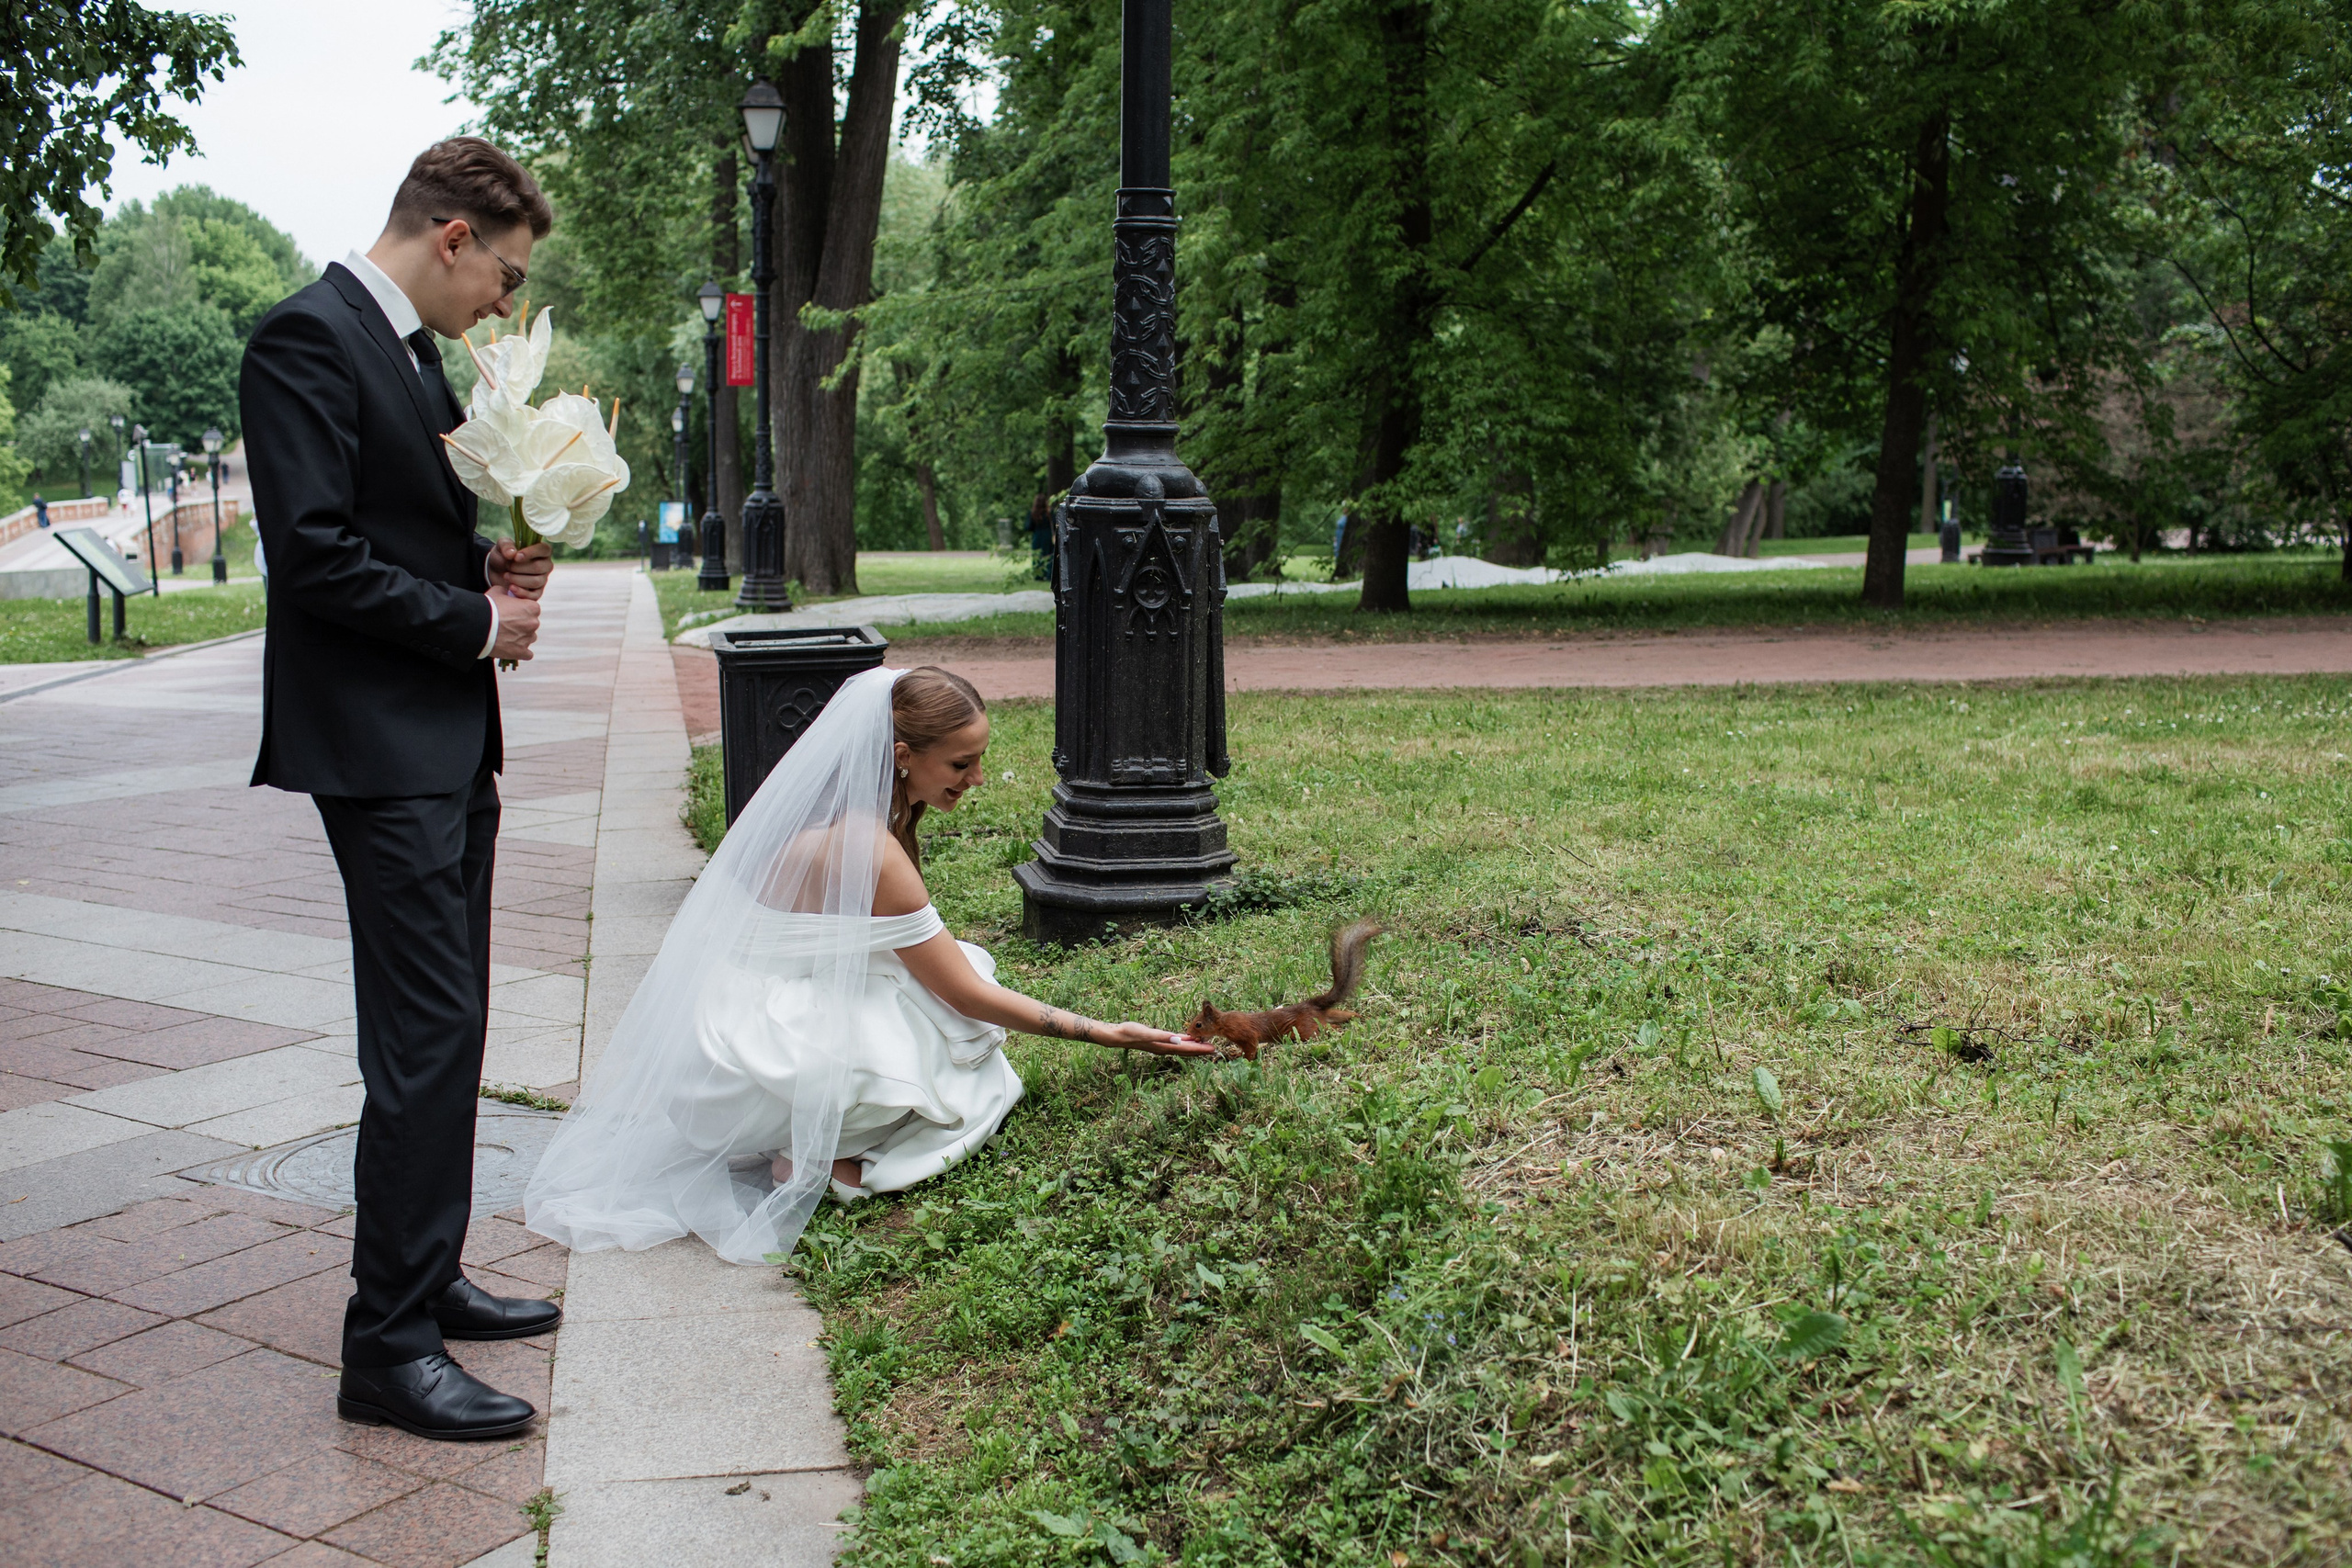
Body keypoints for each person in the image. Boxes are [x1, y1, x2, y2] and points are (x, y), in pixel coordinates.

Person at [241, 137, 559, 1443]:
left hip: (438, 739)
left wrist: (484, 554)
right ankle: (387, 1345)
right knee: (423, 1038)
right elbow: (314, 559)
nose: (505, 302)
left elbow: (391, 526)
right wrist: (476, 624)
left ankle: (426, 1276)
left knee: (454, 1023)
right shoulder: (304, 341)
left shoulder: (415, 354)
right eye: (505, 274)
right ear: (450, 237)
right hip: (377, 748)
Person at [526, 666, 1214, 1265]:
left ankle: (810, 1138)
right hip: (761, 1062)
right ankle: (827, 1160)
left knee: (936, 991)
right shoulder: (875, 852)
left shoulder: (828, 816)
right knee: (978, 1073)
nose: (976, 779)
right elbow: (968, 994)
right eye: (960, 764)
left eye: (979, 761)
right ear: (905, 755)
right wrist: (1106, 1031)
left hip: (714, 1043)